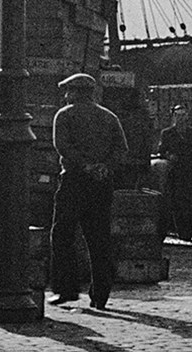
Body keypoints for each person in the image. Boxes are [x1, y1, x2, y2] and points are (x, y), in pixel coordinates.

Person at [48, 73, 129, 310]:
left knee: (63, 235)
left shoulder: (64, 115)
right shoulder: (109, 117)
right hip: (101, 184)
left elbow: (62, 146)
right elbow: (122, 150)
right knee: (99, 239)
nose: (65, 96)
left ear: (75, 92)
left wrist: (85, 165)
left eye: (68, 91)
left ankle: (66, 289)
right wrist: (104, 167)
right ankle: (100, 295)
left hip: (74, 180)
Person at [153, 105, 192, 240]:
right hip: (176, 173)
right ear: (173, 117)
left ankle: (188, 230)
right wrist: (169, 156)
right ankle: (182, 232)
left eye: (183, 115)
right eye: (178, 115)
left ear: (187, 117)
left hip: (191, 172)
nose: (181, 118)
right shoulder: (167, 133)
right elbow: (161, 151)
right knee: (178, 204)